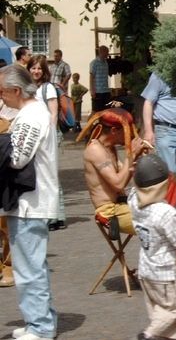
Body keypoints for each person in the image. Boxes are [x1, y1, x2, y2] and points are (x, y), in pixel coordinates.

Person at [0, 64, 59, 340]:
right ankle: (39, 319)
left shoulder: (30, 116)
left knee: (28, 268)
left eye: (2, 92)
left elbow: (17, 158)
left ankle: (40, 326)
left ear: (15, 90)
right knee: (32, 266)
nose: (1, 97)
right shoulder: (32, 113)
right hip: (30, 202)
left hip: (30, 203)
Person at [129, 154, 176, 340]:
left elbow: (134, 190)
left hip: (146, 270)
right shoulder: (165, 213)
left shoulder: (133, 202)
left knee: (158, 313)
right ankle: (148, 335)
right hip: (165, 273)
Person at [81, 108, 144, 235]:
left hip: (122, 205)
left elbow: (125, 174)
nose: (130, 136)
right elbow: (118, 184)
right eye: (127, 132)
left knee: (162, 211)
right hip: (109, 211)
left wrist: (140, 158)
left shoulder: (110, 148)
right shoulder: (95, 150)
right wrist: (131, 156)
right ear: (114, 131)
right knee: (156, 224)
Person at [142, 72, 176, 208]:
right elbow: (148, 102)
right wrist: (149, 131)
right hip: (166, 130)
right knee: (169, 175)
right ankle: (168, 211)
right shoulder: (159, 75)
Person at [27, 55, 66, 231]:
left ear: (44, 71)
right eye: (33, 68)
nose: (36, 71)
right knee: (40, 175)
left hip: (48, 136)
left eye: (39, 69)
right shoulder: (27, 88)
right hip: (33, 135)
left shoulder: (48, 88)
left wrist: (48, 135)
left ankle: (56, 216)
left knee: (50, 173)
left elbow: (53, 114)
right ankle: (47, 213)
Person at [89, 45, 111, 114]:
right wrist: (92, 91)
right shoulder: (94, 63)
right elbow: (91, 77)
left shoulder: (106, 62)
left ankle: (102, 124)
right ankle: (90, 124)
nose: (108, 54)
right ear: (102, 52)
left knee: (105, 111)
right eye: (107, 52)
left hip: (105, 90)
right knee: (95, 111)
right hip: (98, 91)